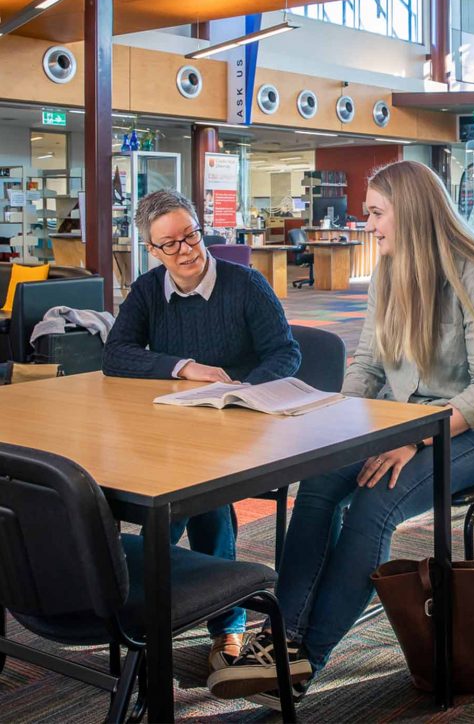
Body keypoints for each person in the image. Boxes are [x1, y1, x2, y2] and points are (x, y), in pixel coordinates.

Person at [217, 160, 474, 708]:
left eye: (376, 213)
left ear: (409, 214)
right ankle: (281, 637)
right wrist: (340, 419)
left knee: (374, 504)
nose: (367, 223)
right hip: (401, 420)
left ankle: (304, 660)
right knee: (318, 485)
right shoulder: (388, 270)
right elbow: (367, 364)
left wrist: (413, 437)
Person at [102, 189, 300, 691]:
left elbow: (285, 353)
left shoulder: (246, 285)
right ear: (152, 250)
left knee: (187, 496)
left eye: (190, 235)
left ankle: (156, 606)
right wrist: (182, 367)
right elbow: (117, 353)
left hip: (239, 425)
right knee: (185, 493)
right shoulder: (148, 291)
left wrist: (244, 391)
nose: (186, 250)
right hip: (172, 428)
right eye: (170, 244)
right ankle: (216, 622)